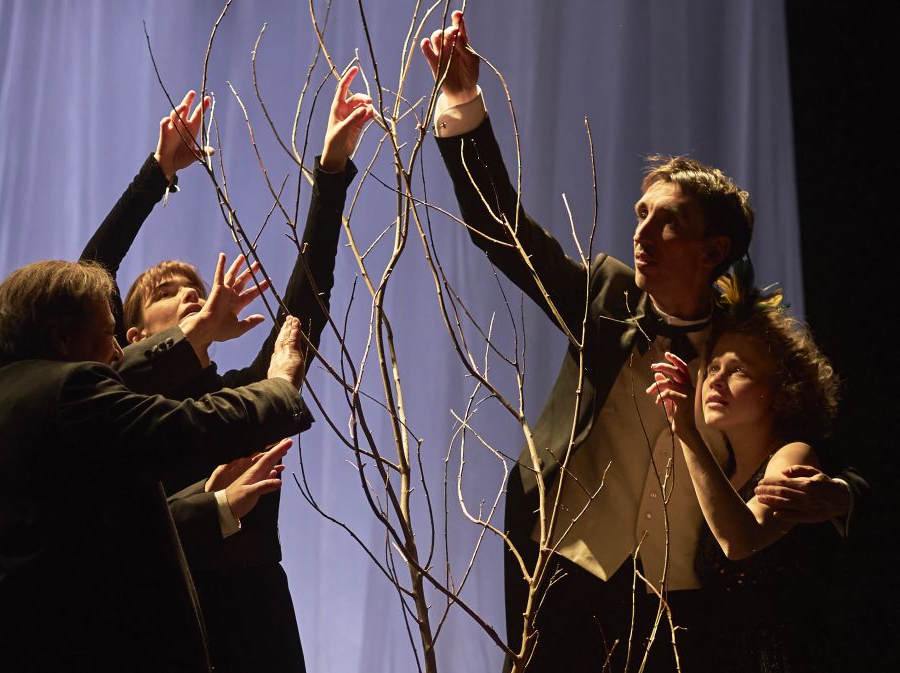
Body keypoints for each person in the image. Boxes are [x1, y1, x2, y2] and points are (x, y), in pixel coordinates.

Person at [419, 11, 865, 671]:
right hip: (561, 569)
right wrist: (462, 105)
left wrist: (842, 495)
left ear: (713, 249)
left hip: (680, 604)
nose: (642, 231)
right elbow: (506, 237)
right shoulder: (607, 296)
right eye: (641, 214)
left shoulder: (743, 349)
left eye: (668, 221)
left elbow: (828, 452)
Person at [0, 258, 313, 673]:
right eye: (109, 334)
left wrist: (209, 501)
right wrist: (279, 385)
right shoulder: (65, 395)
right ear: (62, 338)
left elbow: (71, 536)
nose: (118, 353)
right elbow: (191, 426)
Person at [108, 65, 373, 673]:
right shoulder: (119, 416)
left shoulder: (245, 398)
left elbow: (307, 303)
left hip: (258, 628)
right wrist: (158, 172)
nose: (190, 293)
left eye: (196, 288)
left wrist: (331, 171)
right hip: (163, 629)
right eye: (168, 292)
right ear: (134, 337)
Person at [649, 275, 842, 672]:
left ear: (780, 390)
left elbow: (740, 540)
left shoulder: (794, 454)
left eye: (737, 370)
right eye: (713, 367)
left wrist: (685, 430)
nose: (716, 380)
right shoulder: (725, 471)